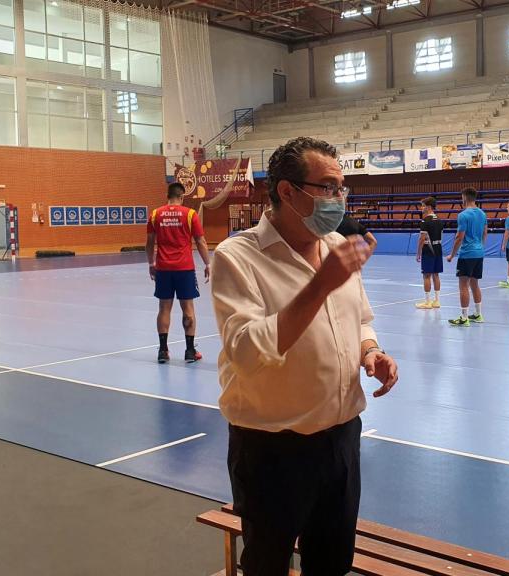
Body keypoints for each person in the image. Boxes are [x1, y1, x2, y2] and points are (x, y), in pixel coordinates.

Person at [210, 136, 399, 575]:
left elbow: (361, 319)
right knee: (267, 564)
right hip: (271, 449)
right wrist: (319, 286)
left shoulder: (336, 247)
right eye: (328, 187)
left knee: (332, 563)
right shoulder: (237, 257)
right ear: (287, 191)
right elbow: (246, 350)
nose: (338, 198)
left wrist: (371, 351)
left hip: (342, 440)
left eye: (341, 188)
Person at [146, 183, 211, 364]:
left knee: (164, 308)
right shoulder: (190, 214)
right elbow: (200, 241)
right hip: (184, 269)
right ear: (182, 197)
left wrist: (151, 263)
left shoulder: (155, 215)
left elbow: (149, 242)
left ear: (167, 196)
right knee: (188, 308)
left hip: (163, 268)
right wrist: (208, 264)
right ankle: (190, 351)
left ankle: (163, 351)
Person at [445, 187, 487, 326]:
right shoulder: (482, 214)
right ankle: (478, 314)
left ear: (464, 198)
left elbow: (459, 237)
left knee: (463, 285)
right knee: (475, 284)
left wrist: (452, 255)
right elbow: (485, 233)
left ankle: (464, 318)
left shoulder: (463, 215)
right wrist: (480, 247)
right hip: (479, 253)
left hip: (467, 254)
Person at [415, 197, 444, 309]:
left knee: (426, 275)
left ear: (428, 207)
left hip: (428, 250)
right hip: (438, 249)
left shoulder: (425, 221)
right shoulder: (440, 221)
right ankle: (437, 301)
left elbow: (422, 239)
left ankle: (427, 302)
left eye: (422, 206)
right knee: (436, 274)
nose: (421, 208)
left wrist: (418, 253)